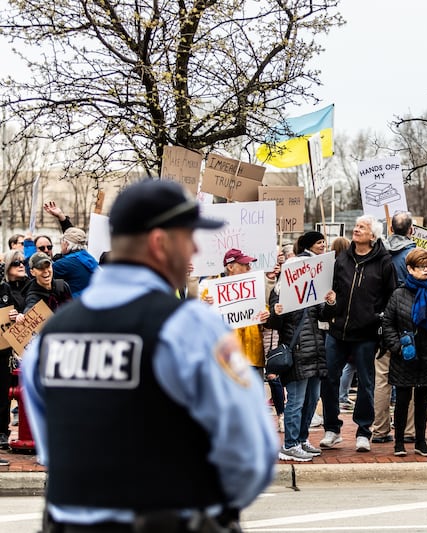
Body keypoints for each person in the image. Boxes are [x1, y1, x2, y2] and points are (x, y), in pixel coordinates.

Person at [22, 179, 278, 530]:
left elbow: (55, 448)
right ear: (160, 243)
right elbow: (251, 454)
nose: (193, 252)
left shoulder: (49, 336)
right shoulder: (188, 327)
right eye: (189, 238)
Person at [320, 214, 396, 452]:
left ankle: (363, 431)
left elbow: (391, 297)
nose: (356, 230)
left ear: (373, 235)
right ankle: (332, 429)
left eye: (362, 227)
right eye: (356, 226)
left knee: (365, 383)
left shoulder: (384, 262)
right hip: (337, 330)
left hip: (366, 334)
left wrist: (379, 320)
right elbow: (331, 291)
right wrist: (330, 303)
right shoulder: (341, 259)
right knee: (329, 379)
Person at [382, 249, 427, 456]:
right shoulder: (398, 294)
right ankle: (399, 443)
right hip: (405, 355)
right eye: (420, 267)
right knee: (402, 400)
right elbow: (388, 323)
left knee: (423, 401)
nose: (425, 271)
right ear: (410, 269)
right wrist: (397, 347)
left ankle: (421, 441)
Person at [269, 236, 332, 462]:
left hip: (315, 348)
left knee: (312, 399)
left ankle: (302, 438)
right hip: (296, 349)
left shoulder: (315, 290)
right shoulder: (281, 289)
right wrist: (276, 311)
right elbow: (273, 323)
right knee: (295, 400)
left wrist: (330, 301)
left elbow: (325, 316)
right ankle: (290, 444)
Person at [373, 211, 418, 444]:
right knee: (408, 376)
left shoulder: (380, 254)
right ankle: (409, 430)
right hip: (408, 322)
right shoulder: (414, 255)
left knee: (382, 378)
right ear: (411, 230)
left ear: (392, 229)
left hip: (383, 321)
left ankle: (380, 429)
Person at [0, 249, 29, 458]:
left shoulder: (28, 287)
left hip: (15, 349)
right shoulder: (3, 288)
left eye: (23, 261)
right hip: (4, 347)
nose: (21, 265)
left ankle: (3, 431)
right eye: (16, 262)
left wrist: (19, 315)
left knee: (4, 393)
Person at [19, 252, 72, 316]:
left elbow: (72, 310)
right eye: (41, 268)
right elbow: (30, 308)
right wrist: (24, 316)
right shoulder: (32, 295)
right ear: (32, 272)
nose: (46, 271)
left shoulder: (62, 285)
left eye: (48, 266)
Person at [52, 227, 100, 296]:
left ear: (66, 244)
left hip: (73, 304)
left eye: (61, 242)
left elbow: (38, 277)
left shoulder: (62, 264)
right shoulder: (90, 259)